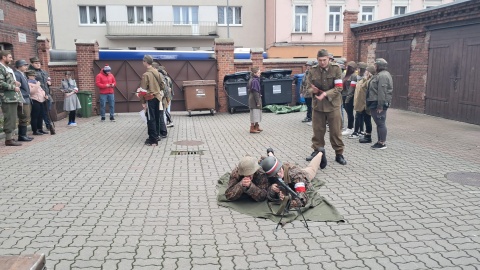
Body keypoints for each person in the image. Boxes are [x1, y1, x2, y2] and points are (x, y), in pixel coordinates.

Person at [305, 49, 346, 165]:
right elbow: (307, 87)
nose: (322, 62)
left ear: (329, 59)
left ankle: (339, 153)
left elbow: (339, 87)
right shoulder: (313, 70)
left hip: (333, 105)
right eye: (320, 60)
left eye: (324, 60)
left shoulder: (336, 69)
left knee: (335, 131)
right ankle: (317, 151)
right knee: (317, 131)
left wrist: (325, 94)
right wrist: (313, 90)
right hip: (318, 106)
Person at [260, 147, 326, 209]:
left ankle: (320, 152)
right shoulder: (273, 171)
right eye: (275, 175)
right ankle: (270, 153)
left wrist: (288, 202)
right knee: (272, 162)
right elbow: (266, 193)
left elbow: (302, 199)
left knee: (311, 169)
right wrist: (272, 189)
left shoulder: (297, 176)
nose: (279, 175)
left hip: (302, 173)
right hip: (280, 167)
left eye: (279, 171)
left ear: (281, 167)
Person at [137, 55, 164, 146]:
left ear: (145, 62)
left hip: (150, 98)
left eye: (143, 61)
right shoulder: (157, 72)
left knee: (150, 118)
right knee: (157, 117)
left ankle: (152, 140)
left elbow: (143, 90)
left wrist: (143, 102)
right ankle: (156, 136)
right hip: (158, 97)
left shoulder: (146, 75)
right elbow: (162, 85)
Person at [367, 58, 393, 149]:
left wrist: (380, 106)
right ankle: (379, 141)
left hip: (378, 103)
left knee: (380, 122)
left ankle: (382, 143)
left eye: (375, 65)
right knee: (379, 123)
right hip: (375, 102)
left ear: (379, 66)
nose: (374, 67)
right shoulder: (380, 74)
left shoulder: (383, 76)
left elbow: (382, 92)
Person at [0, 50, 23, 146]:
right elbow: (0, 83)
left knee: (13, 118)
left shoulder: (7, 68)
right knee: (9, 117)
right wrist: (13, 87)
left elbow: (7, 80)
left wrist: (14, 82)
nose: (11, 59)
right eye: (9, 57)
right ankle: (8, 139)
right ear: (3, 57)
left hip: (12, 97)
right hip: (7, 98)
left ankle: (11, 138)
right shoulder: (1, 68)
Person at [29, 56, 55, 135]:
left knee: (46, 111)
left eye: (39, 63)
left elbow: (48, 79)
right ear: (32, 64)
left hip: (46, 94)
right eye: (36, 63)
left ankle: (42, 128)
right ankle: (46, 126)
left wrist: (49, 82)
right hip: (37, 95)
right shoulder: (31, 73)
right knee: (39, 113)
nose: (38, 64)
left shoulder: (44, 71)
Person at [14, 59, 34, 142]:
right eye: (24, 65)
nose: (26, 67)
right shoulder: (17, 74)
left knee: (27, 116)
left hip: (27, 97)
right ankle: (22, 135)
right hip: (23, 98)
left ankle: (24, 134)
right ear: (19, 66)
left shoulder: (22, 74)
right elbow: (18, 89)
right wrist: (20, 100)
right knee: (23, 116)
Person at [356, 65, 376, 144]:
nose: (365, 72)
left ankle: (368, 136)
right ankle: (366, 134)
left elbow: (367, 90)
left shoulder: (370, 81)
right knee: (365, 118)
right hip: (363, 102)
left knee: (367, 119)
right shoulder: (367, 79)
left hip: (366, 102)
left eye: (367, 71)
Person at [27, 70, 48, 136]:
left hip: (41, 100)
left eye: (34, 76)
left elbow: (41, 90)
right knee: (35, 116)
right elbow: (31, 92)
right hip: (35, 100)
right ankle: (35, 130)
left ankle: (40, 129)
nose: (34, 77)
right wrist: (37, 85)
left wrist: (45, 95)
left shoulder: (36, 82)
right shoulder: (28, 83)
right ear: (28, 76)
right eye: (32, 75)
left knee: (40, 115)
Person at [341, 61, 358, 136]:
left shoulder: (354, 76)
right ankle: (350, 127)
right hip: (344, 96)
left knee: (350, 113)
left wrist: (348, 98)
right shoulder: (346, 75)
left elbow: (352, 89)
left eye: (348, 66)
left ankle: (350, 128)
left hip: (349, 97)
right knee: (348, 113)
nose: (346, 67)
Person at [248, 67, 263, 133]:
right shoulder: (254, 81)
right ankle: (252, 128)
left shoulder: (253, 79)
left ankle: (256, 126)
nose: (260, 74)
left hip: (252, 98)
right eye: (259, 73)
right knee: (254, 113)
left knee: (256, 112)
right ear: (255, 73)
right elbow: (255, 92)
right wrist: (258, 102)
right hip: (254, 99)